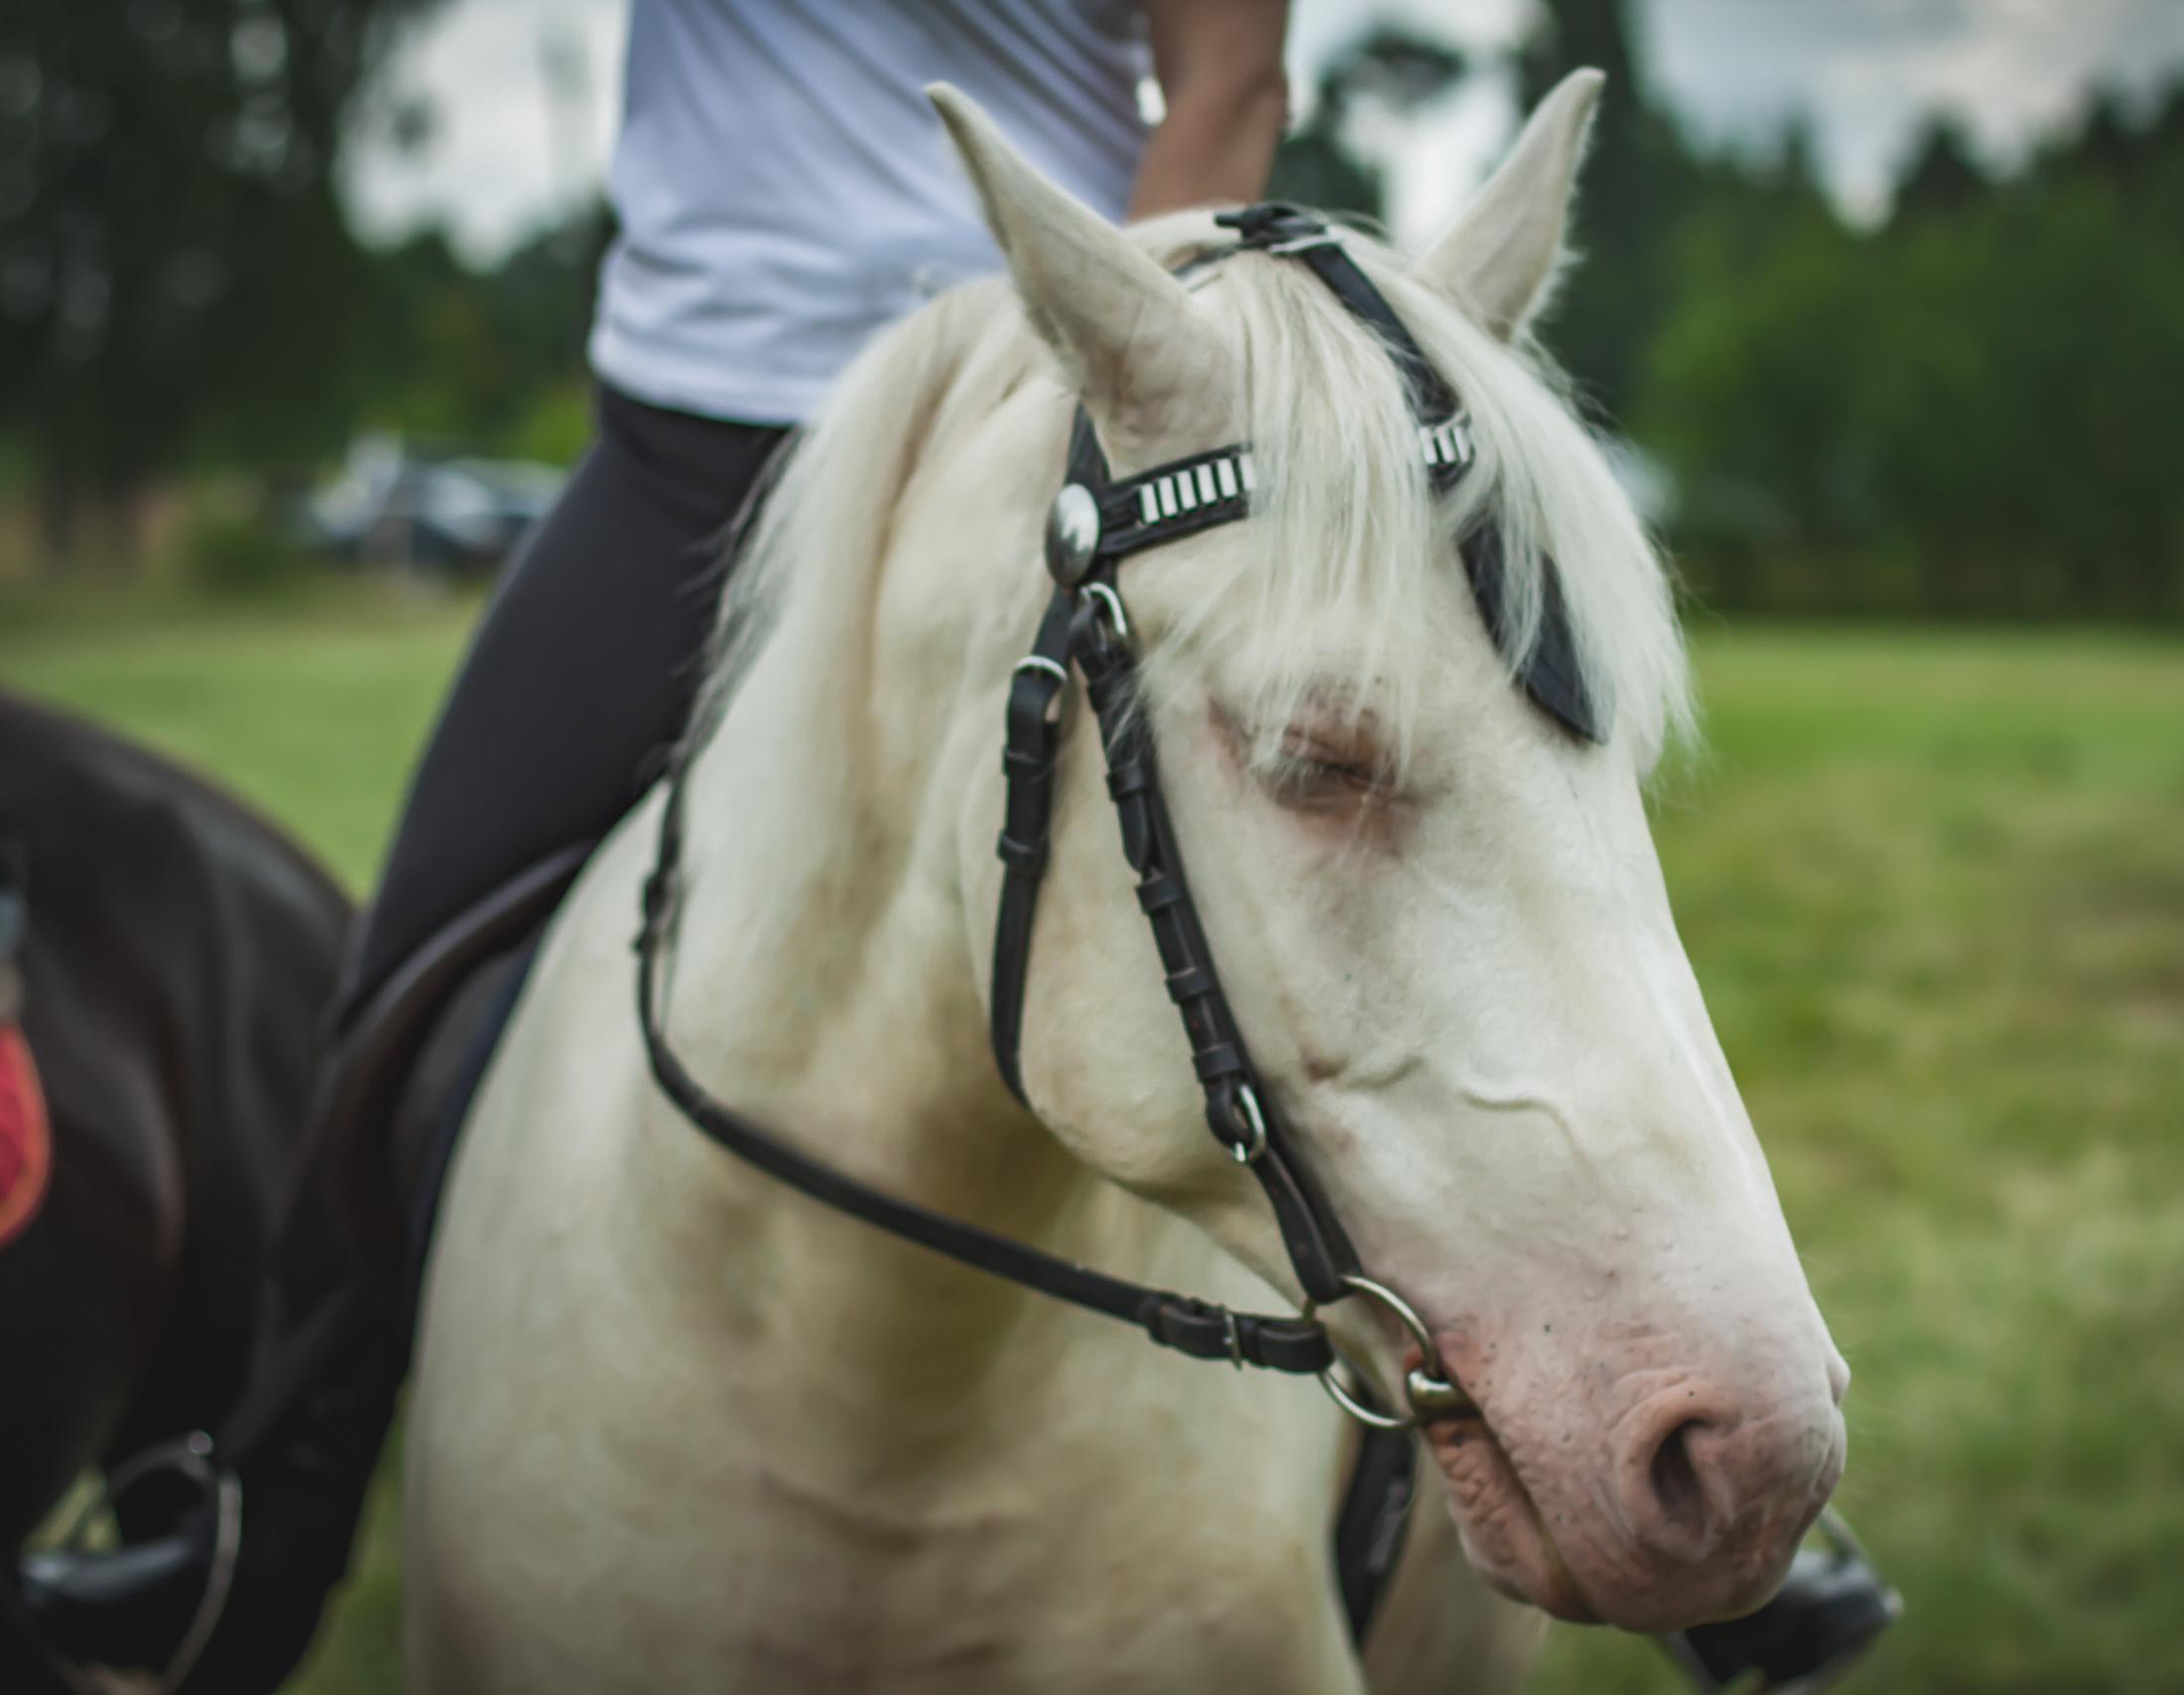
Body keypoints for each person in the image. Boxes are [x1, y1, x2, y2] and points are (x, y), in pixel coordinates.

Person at [18, 5, 1291, 1690]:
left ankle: (1616, 1498)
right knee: (393, 999)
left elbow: (1230, 80)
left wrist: (1106, 411)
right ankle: (261, 1531)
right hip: (696, 445)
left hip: (1020, 439)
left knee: (1323, 928)